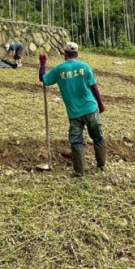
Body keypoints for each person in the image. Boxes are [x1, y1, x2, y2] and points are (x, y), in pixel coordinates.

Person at [39, 42, 106, 177]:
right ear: (77, 54)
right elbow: (93, 86)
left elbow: (43, 79)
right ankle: (101, 165)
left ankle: (79, 172)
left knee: (76, 141)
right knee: (97, 136)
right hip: (90, 108)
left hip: (74, 113)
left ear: (65, 54)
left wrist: (42, 63)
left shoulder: (59, 69)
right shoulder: (85, 67)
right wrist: (100, 103)